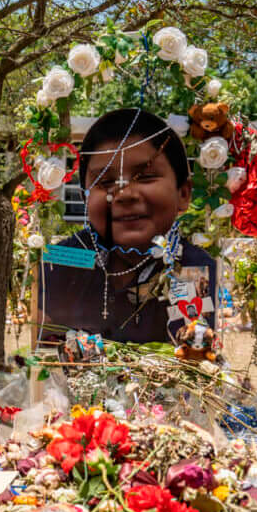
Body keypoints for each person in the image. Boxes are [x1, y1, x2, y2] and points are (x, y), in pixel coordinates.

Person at [37, 108, 217, 345]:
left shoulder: (192, 266)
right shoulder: (62, 258)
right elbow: (42, 347)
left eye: (145, 177)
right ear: (85, 198)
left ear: (183, 194)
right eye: (106, 181)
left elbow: (194, 353)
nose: (124, 194)